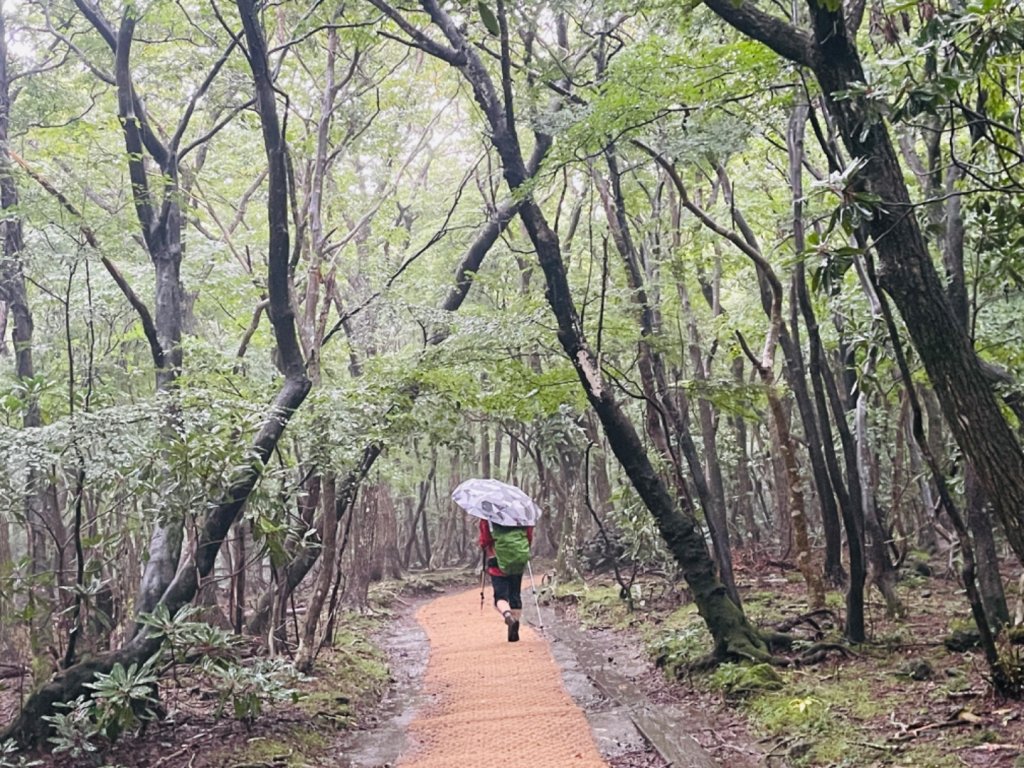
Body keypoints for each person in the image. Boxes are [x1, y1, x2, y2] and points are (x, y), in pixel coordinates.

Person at [479, 517, 533, 642]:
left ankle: (508, 615)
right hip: (517, 559)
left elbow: (484, 540)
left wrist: (486, 546)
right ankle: (514, 627)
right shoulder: (522, 515)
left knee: (500, 597)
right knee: (515, 595)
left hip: (496, 560)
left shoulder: (488, 516)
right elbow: (529, 537)